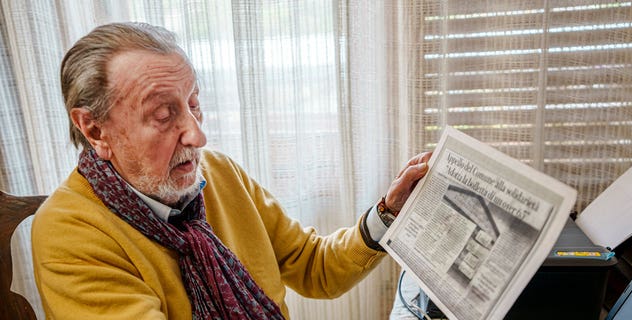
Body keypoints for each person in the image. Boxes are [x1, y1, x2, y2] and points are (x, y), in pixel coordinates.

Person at [31, 22, 432, 320]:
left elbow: (313, 266)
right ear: (95, 129)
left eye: (193, 103)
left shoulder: (219, 174)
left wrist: (388, 214)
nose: (197, 135)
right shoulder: (67, 232)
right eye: (163, 113)